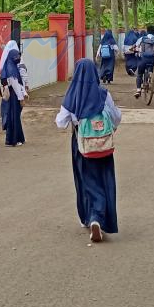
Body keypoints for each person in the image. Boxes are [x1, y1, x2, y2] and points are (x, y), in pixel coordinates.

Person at [56, 58, 122, 243]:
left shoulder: (72, 95)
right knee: (104, 178)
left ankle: (93, 217)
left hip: (82, 145)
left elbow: (60, 123)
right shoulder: (103, 94)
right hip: (103, 145)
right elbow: (116, 117)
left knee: (87, 181)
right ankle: (99, 217)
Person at [0, 40, 27, 147]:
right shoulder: (12, 70)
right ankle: (13, 140)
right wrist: (21, 98)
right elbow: (16, 86)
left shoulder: (8, 65)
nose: (18, 58)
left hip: (11, 95)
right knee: (14, 117)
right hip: (14, 96)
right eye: (16, 56)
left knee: (13, 117)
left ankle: (19, 138)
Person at [133, 25, 154, 99]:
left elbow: (135, 46)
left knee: (140, 74)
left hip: (143, 59)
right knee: (150, 68)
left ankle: (138, 90)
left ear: (147, 31)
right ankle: (149, 78)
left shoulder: (142, 38)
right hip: (152, 59)